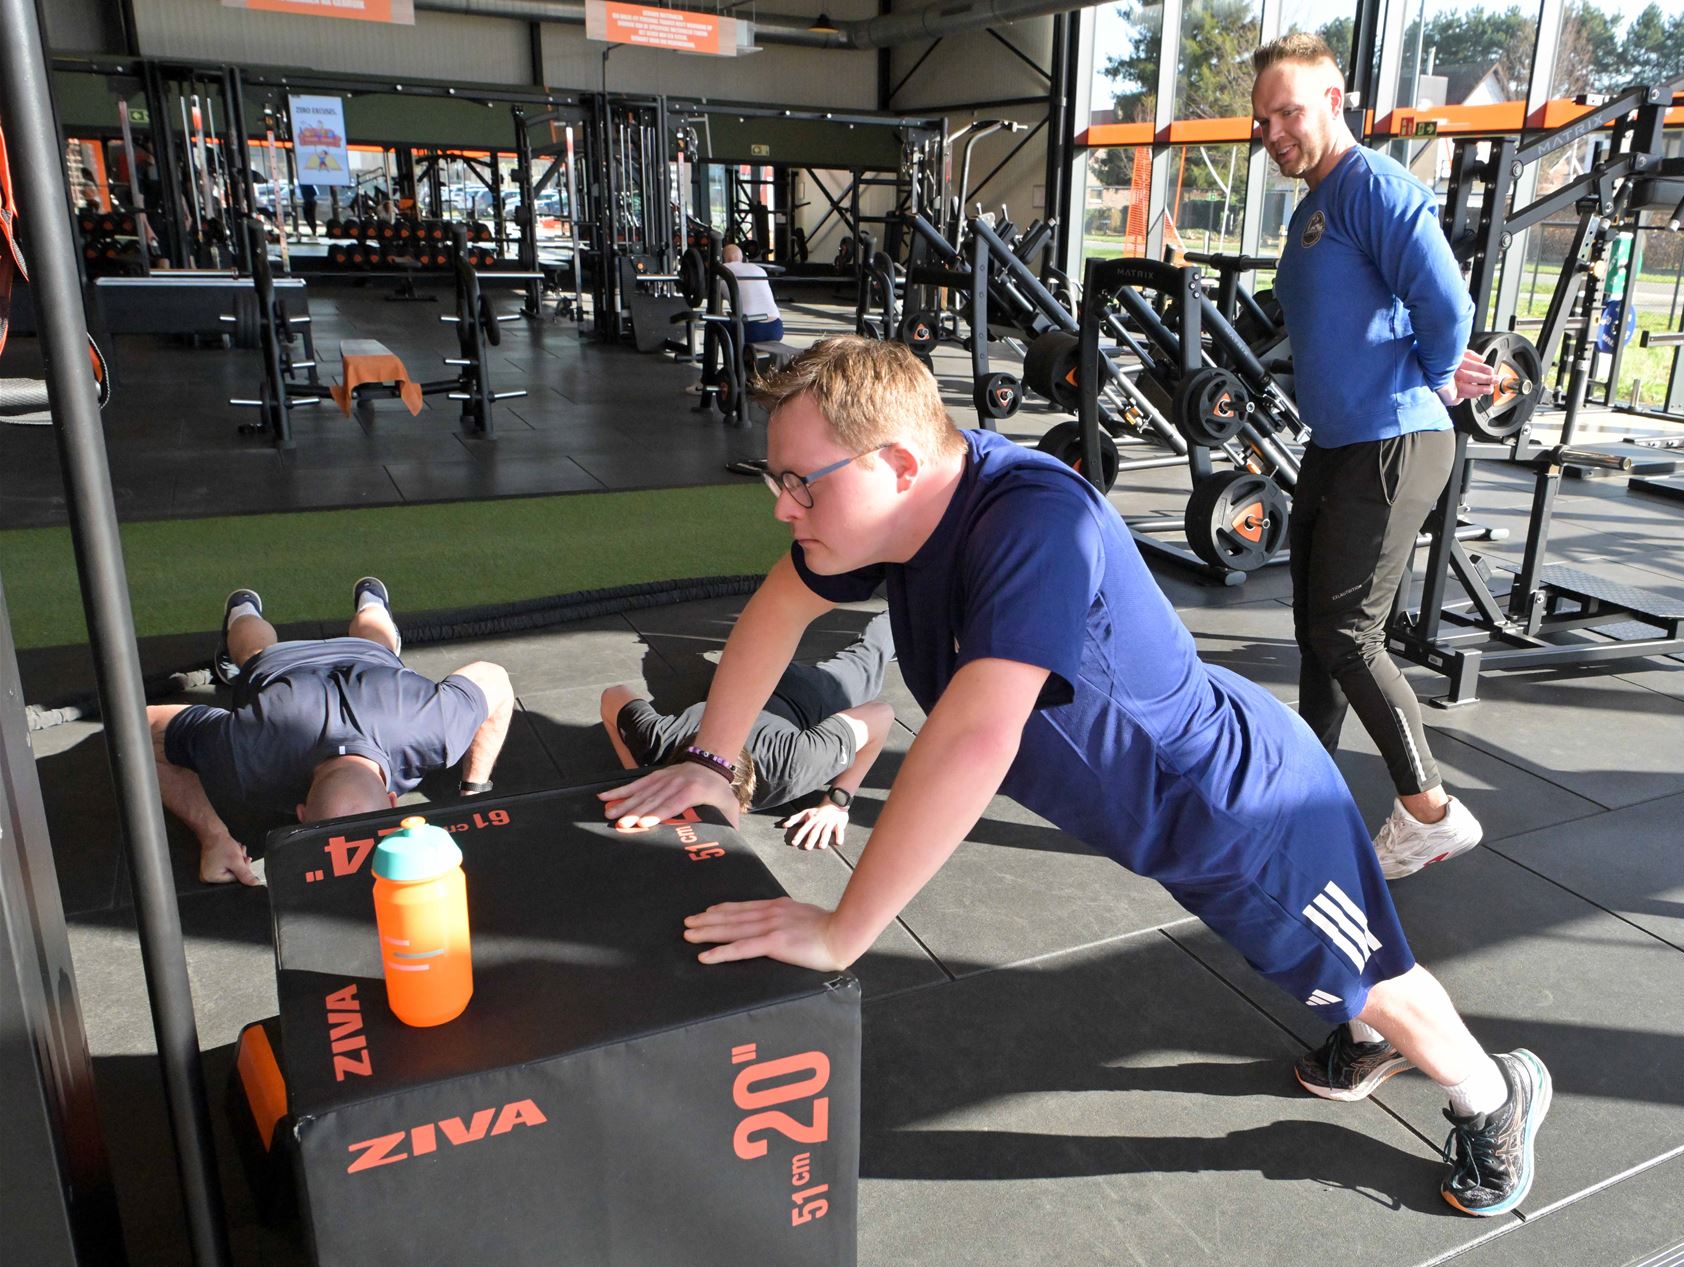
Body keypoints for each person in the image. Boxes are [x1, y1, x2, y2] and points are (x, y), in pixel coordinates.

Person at [598, 337, 1552, 1218]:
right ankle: (1369, 1030)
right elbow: (779, 604)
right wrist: (713, 764)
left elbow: (975, 738)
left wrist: (844, 929)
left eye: (801, 484)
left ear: (896, 464)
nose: (783, 508)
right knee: (1329, 969)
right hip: (1167, 809)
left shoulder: (1032, 520)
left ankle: (1493, 1093)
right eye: (778, 481)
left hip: (1243, 812)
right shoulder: (906, 512)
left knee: (1375, 973)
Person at [1253, 33, 1497, 880]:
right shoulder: (1315, 203)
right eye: (1262, 120)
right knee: (1315, 633)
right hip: (1337, 443)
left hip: (1394, 441)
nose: (1273, 132)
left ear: (1333, 100)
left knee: (1349, 634)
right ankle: (1307, 800)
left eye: (1287, 111)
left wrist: (1436, 373)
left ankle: (1431, 812)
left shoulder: (1376, 188)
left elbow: (1446, 303)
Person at [147, 579, 514, 887]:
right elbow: (494, 676)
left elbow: (143, 731)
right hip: (300, 665)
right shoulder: (246, 751)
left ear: (302, 813)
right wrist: (212, 835)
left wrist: (474, 796)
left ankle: (258, 607)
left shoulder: (434, 727)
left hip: (333, 665)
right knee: (255, 654)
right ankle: (250, 608)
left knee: (362, 647)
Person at [598, 613, 896, 850]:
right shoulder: (655, 740)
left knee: (866, 655)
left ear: (742, 803)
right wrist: (639, 774)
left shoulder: (795, 764)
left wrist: (837, 802)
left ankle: (902, 609)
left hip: (811, 693)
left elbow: (881, 715)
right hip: (741, 682)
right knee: (753, 648)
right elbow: (613, 696)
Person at [721, 242, 784, 345]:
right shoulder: (759, 269)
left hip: (751, 329)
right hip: (776, 328)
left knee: (714, 322)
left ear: (723, 259)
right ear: (742, 258)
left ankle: (719, 355)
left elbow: (715, 307)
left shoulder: (722, 271)